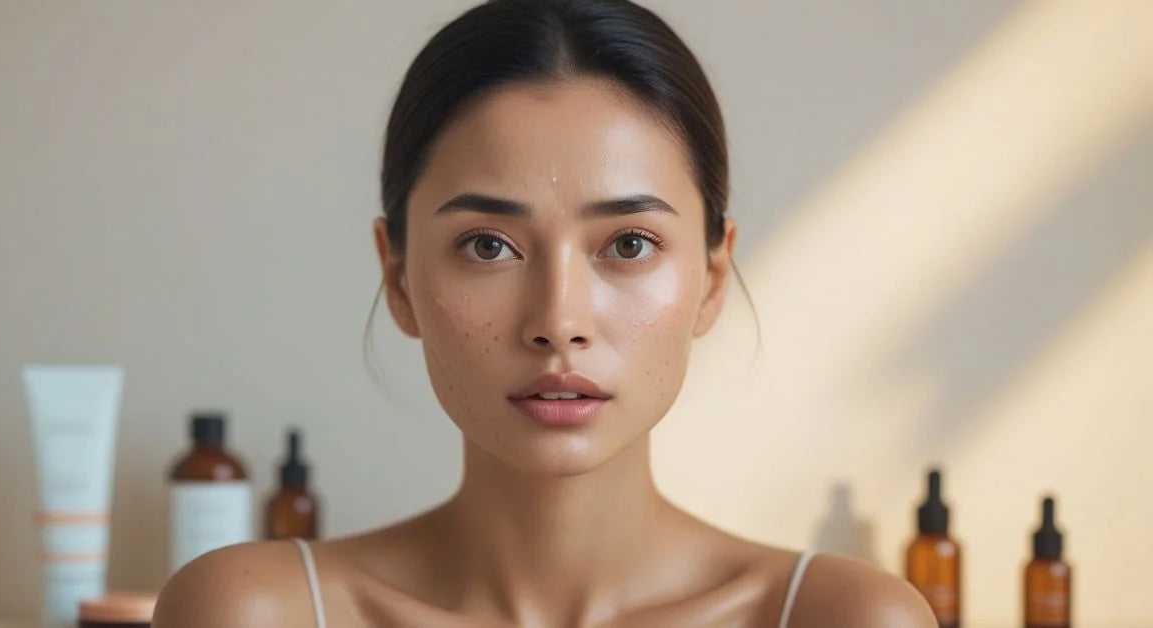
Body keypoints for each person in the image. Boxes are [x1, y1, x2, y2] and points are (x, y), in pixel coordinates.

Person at [153, 0, 936, 625]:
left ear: (711, 276)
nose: (559, 321)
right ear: (397, 276)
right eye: (489, 246)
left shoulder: (841, 618)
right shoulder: (255, 612)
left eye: (628, 243)